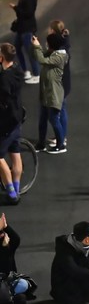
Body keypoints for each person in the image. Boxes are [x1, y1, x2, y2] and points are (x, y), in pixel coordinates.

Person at [31, 35, 68, 154]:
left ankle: (60, 145)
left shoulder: (60, 57)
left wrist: (37, 47)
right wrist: (37, 46)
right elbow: (41, 55)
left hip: (54, 94)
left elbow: (41, 59)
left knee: (54, 120)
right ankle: (41, 144)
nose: (46, 44)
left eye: (47, 43)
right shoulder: (53, 53)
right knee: (42, 120)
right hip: (46, 93)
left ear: (52, 45)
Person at [0, 43, 24, 204]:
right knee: (15, 155)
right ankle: (16, 187)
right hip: (17, 119)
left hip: (5, 123)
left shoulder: (4, 79)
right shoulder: (17, 71)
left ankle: (11, 194)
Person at [9, 0, 39, 84]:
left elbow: (28, 13)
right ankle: (26, 71)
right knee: (17, 47)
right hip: (22, 27)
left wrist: (16, 8)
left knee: (29, 51)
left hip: (27, 28)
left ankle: (36, 74)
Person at [0, 213, 36, 304]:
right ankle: (10, 297)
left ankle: (10, 295)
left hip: (7, 279)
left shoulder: (2, 237)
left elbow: (15, 240)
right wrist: (4, 248)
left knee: (24, 283)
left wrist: (6, 227)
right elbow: (4, 268)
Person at [46, 21, 71, 149]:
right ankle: (61, 137)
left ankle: (61, 142)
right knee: (62, 111)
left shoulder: (58, 49)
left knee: (54, 116)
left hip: (59, 86)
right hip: (65, 84)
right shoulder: (64, 43)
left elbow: (46, 61)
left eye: (50, 29)